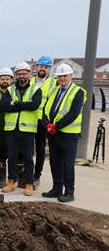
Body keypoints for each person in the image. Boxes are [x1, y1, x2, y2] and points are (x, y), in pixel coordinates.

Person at [41, 63, 85, 202]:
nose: (62, 79)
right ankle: (57, 188)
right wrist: (47, 124)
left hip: (69, 135)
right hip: (54, 134)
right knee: (55, 163)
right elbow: (46, 109)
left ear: (71, 76)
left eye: (65, 76)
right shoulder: (54, 91)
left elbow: (74, 113)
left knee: (67, 164)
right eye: (59, 76)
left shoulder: (78, 91)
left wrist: (56, 126)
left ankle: (69, 191)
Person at [0, 61, 42, 196]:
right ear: (16, 75)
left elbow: (34, 105)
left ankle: (29, 183)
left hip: (27, 130)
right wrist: (23, 105)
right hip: (12, 129)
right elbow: (4, 106)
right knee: (11, 157)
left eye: (24, 73)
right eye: (19, 74)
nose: (22, 76)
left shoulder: (35, 89)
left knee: (28, 158)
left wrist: (16, 103)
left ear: (29, 74)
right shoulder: (10, 90)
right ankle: (11, 181)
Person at [31, 55, 57, 189]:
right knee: (26, 149)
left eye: (46, 67)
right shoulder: (30, 82)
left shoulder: (54, 83)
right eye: (41, 66)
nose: (43, 69)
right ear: (37, 67)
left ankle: (36, 176)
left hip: (43, 121)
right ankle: (26, 175)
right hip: (29, 120)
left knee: (40, 149)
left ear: (49, 69)